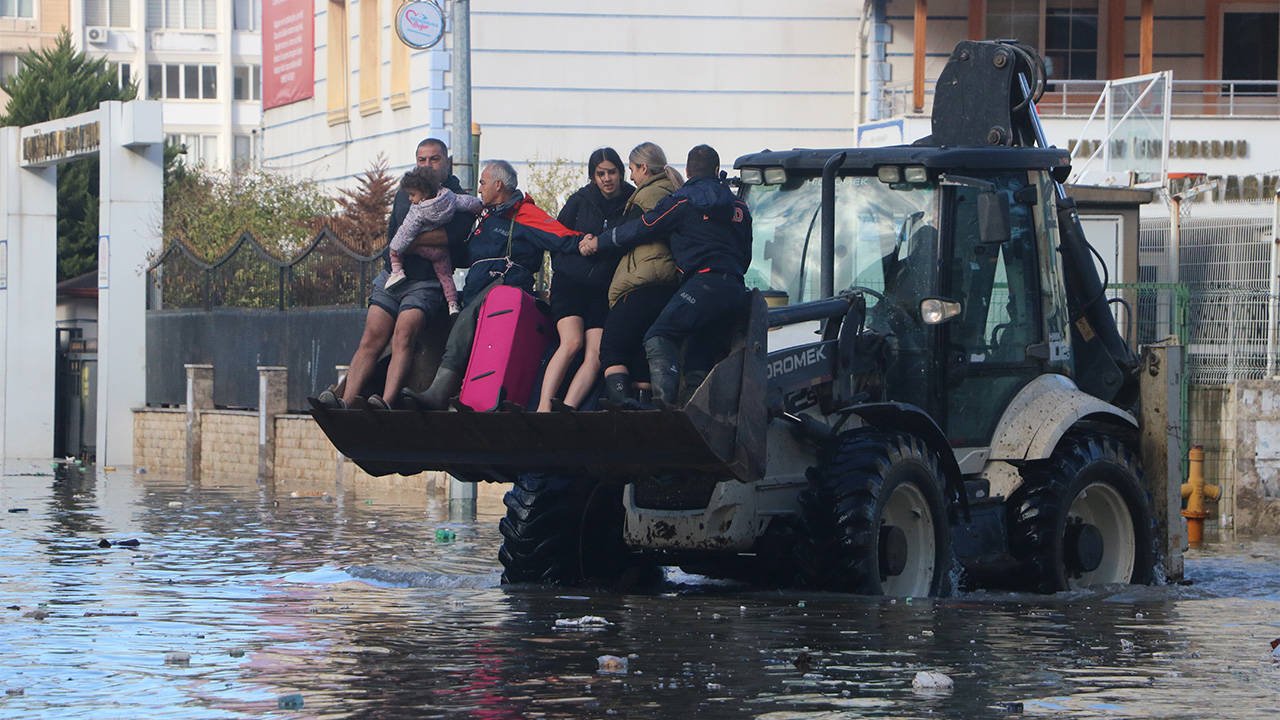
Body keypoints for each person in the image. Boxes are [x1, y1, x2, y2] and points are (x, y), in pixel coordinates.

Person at [401, 160, 584, 410]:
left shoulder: (526, 214)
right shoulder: (487, 217)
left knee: (466, 321)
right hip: (478, 289)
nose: (479, 189)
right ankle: (461, 395)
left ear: (498, 185)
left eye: (483, 182)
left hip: (504, 286)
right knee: (456, 321)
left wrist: (589, 242)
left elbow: (561, 237)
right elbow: (466, 256)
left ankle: (439, 392)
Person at [581, 144, 752, 405]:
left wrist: (600, 242)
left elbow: (643, 227)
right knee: (697, 354)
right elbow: (746, 254)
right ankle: (696, 413)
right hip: (736, 289)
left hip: (702, 283)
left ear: (688, 171)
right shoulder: (739, 206)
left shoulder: (683, 201)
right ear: (717, 169)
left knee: (659, 335)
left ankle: (665, 405)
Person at [316, 137, 476, 410]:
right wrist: (418, 238)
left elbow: (451, 237)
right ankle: (345, 400)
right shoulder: (406, 191)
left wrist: (412, 239)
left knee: (404, 333)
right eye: (422, 159)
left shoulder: (456, 196)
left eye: (434, 159)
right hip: (393, 278)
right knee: (372, 335)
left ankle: (386, 401)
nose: (428, 165)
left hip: (427, 282)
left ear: (447, 162)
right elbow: (400, 233)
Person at [537, 147, 636, 412]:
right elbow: (558, 238)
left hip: (603, 288)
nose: (607, 179)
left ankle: (568, 407)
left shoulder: (631, 201)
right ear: (593, 176)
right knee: (571, 342)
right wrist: (579, 248)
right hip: (571, 282)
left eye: (611, 172)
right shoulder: (579, 201)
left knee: (595, 354)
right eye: (601, 174)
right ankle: (543, 406)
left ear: (620, 172)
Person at [592, 142, 684, 407]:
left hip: (643, 280)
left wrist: (595, 243)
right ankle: (646, 408)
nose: (631, 177)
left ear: (644, 168)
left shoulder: (647, 195)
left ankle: (622, 403)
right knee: (641, 349)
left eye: (632, 169)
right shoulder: (674, 191)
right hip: (668, 284)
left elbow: (627, 232)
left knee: (612, 347)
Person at [384, 166, 483, 315]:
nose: (410, 199)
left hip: (425, 249)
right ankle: (452, 303)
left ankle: (397, 272)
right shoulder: (449, 197)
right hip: (441, 253)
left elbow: (405, 233)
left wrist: (395, 249)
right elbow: (468, 203)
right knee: (445, 277)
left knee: (396, 249)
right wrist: (479, 207)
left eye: (412, 194)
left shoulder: (417, 211)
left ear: (424, 193)